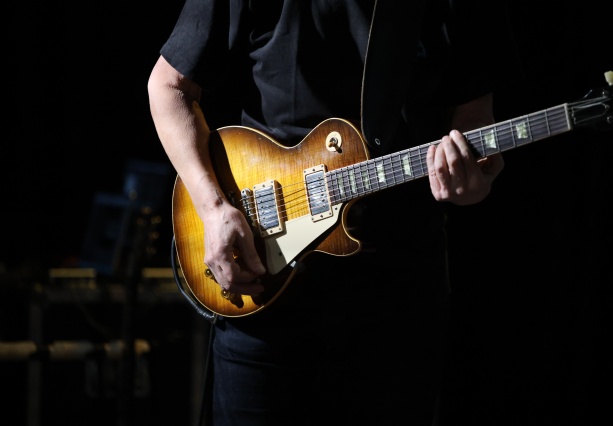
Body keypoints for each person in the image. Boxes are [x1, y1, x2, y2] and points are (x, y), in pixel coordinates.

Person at [148, 1, 508, 424]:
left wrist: (474, 179)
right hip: (267, 282)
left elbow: (474, 121)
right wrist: (212, 209)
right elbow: (168, 87)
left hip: (399, 294)